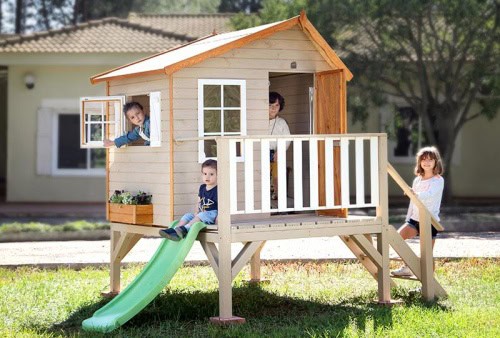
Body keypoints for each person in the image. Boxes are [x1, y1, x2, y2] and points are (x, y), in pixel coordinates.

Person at [391, 146, 444, 276]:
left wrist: (415, 193)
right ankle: (408, 266)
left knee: (426, 254)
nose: (427, 162)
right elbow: (412, 202)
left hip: (430, 221)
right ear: (419, 162)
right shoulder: (417, 180)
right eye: (424, 159)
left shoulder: (438, 180)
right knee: (396, 238)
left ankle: (429, 284)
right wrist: (408, 217)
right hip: (414, 219)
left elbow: (430, 194)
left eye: (430, 160)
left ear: (436, 162)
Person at [159, 159, 218, 241]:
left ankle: (185, 229)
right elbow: (199, 201)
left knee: (201, 215)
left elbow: (221, 206)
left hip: (211, 215)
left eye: (211, 174)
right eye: (205, 174)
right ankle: (176, 230)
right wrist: (196, 210)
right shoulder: (202, 187)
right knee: (187, 215)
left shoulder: (217, 190)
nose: (207, 177)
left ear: (218, 175)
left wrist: (218, 219)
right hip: (201, 214)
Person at [269, 91, 290, 200]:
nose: (273, 108)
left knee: (277, 177)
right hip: (261, 152)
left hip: (277, 153)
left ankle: (277, 196)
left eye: (276, 105)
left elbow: (287, 139)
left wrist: (280, 151)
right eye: (270, 105)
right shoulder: (260, 121)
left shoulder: (281, 122)